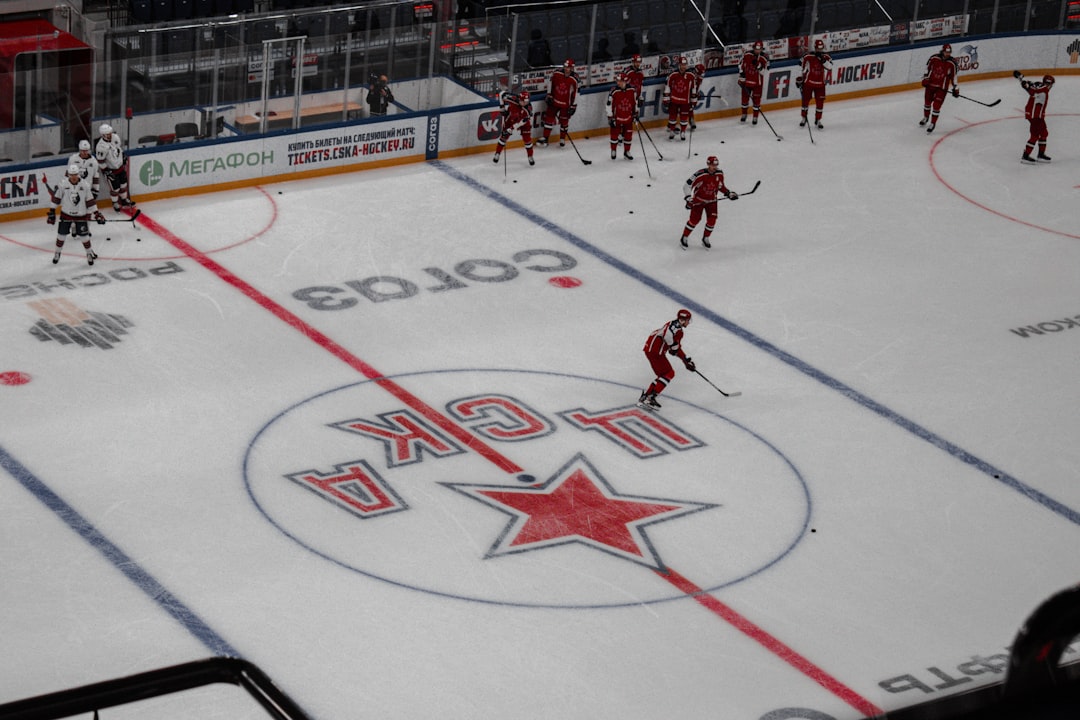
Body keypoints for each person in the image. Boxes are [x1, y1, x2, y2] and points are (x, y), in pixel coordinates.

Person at [637, 309, 696, 411]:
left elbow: (674, 348)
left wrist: (685, 360)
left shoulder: (672, 324)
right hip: (655, 351)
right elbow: (669, 339)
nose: (688, 323)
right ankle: (650, 398)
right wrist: (674, 349)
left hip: (650, 350)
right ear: (682, 320)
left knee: (662, 375)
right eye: (687, 320)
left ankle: (645, 397)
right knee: (669, 373)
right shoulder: (676, 329)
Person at [47, 163, 104, 266]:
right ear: (68, 174)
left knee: (84, 237)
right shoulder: (63, 185)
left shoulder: (85, 185)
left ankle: (89, 253)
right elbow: (56, 198)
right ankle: (57, 253)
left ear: (78, 174)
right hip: (66, 214)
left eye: (75, 174)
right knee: (61, 235)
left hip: (80, 215)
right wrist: (52, 211)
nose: (73, 177)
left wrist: (97, 213)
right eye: (71, 175)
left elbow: (90, 201)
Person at [680, 155, 737, 250]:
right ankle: (684, 236)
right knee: (695, 220)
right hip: (698, 201)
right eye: (712, 165)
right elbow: (687, 185)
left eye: (716, 165)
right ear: (708, 164)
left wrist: (728, 193)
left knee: (712, 220)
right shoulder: (700, 174)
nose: (715, 167)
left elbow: (720, 186)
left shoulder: (719, 173)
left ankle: (705, 238)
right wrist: (688, 198)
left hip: (712, 201)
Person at [1013, 71, 1053, 162]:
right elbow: (1032, 91)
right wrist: (1025, 84)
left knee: (1044, 133)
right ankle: (1025, 156)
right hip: (1035, 116)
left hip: (1036, 115)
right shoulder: (1044, 90)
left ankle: (1041, 154)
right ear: (1049, 84)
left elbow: (1029, 85)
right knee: (1035, 135)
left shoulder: (1038, 84)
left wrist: (1021, 79)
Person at [538, 59, 579, 147]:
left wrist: (574, 105)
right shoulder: (556, 73)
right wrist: (549, 95)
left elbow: (576, 93)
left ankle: (562, 139)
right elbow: (550, 83)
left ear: (572, 68)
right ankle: (545, 139)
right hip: (554, 101)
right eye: (565, 66)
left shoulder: (575, 79)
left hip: (566, 104)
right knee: (549, 118)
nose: (566, 69)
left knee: (564, 121)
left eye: (568, 67)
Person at [920, 43, 959, 133]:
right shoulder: (934, 58)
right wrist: (925, 78)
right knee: (927, 103)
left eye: (949, 52)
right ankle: (926, 118)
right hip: (930, 85)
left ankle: (933, 123)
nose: (948, 54)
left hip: (942, 88)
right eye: (946, 52)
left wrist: (955, 88)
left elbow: (954, 76)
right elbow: (927, 68)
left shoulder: (952, 63)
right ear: (943, 51)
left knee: (936, 106)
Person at [95, 123, 135, 212]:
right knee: (115, 188)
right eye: (107, 134)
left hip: (120, 167)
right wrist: (107, 171)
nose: (110, 135)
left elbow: (119, 149)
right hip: (111, 170)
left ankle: (124, 200)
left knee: (123, 184)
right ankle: (115, 203)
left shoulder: (115, 137)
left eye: (110, 133)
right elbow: (100, 161)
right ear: (103, 135)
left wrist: (123, 156)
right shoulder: (100, 146)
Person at [493, 89, 536, 166]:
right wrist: (502, 109)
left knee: (527, 139)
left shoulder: (528, 110)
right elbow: (501, 94)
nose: (525, 103)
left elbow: (521, 123)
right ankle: (497, 153)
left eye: (527, 101)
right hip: (510, 119)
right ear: (519, 99)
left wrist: (511, 129)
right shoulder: (512, 98)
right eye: (524, 101)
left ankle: (530, 156)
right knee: (503, 136)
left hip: (523, 123)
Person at [797, 39, 832, 129]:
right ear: (815, 48)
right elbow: (801, 66)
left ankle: (818, 119)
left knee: (820, 103)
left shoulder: (826, 57)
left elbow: (830, 67)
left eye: (821, 48)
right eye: (818, 48)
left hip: (820, 84)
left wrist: (823, 60)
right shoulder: (808, 56)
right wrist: (800, 80)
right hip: (808, 83)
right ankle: (804, 118)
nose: (819, 50)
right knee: (805, 101)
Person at [663, 56, 697, 140]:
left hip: (685, 101)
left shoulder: (691, 76)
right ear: (679, 65)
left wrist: (693, 101)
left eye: (685, 64)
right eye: (682, 64)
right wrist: (666, 99)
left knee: (684, 118)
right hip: (674, 99)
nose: (683, 66)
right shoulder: (673, 75)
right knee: (672, 116)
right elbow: (668, 87)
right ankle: (671, 131)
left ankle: (683, 132)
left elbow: (693, 89)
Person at [606, 72, 637, 160]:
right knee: (614, 135)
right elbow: (609, 105)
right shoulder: (614, 91)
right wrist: (610, 117)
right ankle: (613, 150)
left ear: (625, 81)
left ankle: (627, 151)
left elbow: (635, 103)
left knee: (628, 135)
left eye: (620, 81)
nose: (618, 83)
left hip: (628, 117)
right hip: (617, 118)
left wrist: (636, 113)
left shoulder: (632, 90)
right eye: (617, 81)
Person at [738, 41, 770, 125]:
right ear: (753, 48)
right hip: (746, 82)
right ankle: (744, 114)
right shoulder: (747, 54)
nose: (757, 51)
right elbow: (740, 65)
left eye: (759, 49)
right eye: (756, 49)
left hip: (757, 84)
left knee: (756, 101)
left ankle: (755, 117)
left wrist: (759, 66)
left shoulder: (765, 58)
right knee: (744, 100)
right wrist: (741, 75)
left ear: (762, 49)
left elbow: (764, 72)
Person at [689, 63, 706, 130]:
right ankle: (671, 124)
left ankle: (691, 120)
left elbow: (697, 86)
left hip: (691, 94)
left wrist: (696, 93)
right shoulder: (689, 74)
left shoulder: (699, 78)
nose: (702, 76)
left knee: (691, 107)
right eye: (700, 74)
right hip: (683, 93)